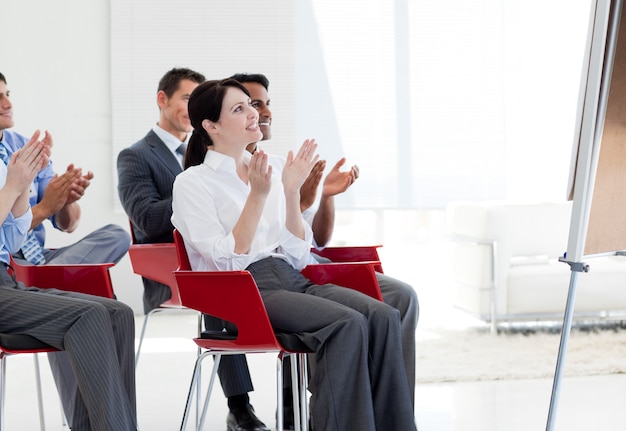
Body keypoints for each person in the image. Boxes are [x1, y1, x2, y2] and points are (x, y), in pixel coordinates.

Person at [172, 78, 416, 431]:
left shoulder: (271, 164)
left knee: (382, 315)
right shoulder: (193, 183)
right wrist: (257, 195)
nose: (253, 114)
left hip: (291, 277)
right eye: (239, 109)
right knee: (346, 323)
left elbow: (299, 254)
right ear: (211, 126)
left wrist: (289, 193)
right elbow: (226, 261)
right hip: (242, 290)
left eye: (251, 105)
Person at [116, 67, 269, 431]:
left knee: (226, 265)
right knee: (215, 276)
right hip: (169, 262)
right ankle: (240, 406)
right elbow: (145, 219)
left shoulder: (221, 156)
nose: (192, 106)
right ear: (162, 100)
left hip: (221, 251)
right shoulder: (137, 156)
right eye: (186, 97)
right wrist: (197, 192)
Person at [0, 71, 131, 427]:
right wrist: (18, 191)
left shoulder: (18, 151)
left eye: (7, 94)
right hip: (13, 273)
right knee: (86, 315)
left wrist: (54, 199)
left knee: (118, 313)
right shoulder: (11, 166)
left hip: (12, 273)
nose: (8, 104)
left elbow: (14, 239)